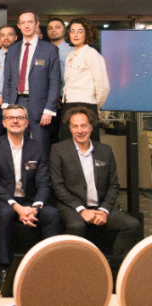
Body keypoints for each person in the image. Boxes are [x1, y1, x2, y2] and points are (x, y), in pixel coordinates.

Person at [0, 104, 60, 291]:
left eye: (20, 118)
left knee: (52, 214)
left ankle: (49, 267)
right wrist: (16, 207)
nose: (15, 121)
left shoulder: (38, 148)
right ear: (4, 122)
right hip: (2, 199)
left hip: (29, 200)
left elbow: (44, 183)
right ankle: (3, 267)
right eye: (11, 117)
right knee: (6, 213)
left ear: (27, 123)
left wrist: (35, 207)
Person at [50, 107, 139, 256]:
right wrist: (81, 210)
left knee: (132, 225)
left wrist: (104, 210)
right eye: (75, 126)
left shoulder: (105, 150)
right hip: (71, 206)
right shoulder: (59, 150)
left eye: (84, 126)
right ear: (70, 128)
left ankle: (114, 264)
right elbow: (57, 186)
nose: (80, 130)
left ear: (91, 127)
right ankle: (71, 266)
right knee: (76, 226)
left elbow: (113, 185)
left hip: (100, 206)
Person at [2, 10, 60, 154]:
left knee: (40, 146)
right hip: (16, 102)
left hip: (40, 106)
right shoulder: (13, 49)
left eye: (30, 22)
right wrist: (6, 105)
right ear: (19, 26)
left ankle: (40, 171)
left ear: (37, 24)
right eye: (23, 23)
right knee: (17, 146)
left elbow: (54, 81)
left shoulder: (50, 49)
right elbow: (7, 79)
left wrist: (49, 110)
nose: (26, 26)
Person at [60, 18, 110, 142]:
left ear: (87, 33)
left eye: (80, 31)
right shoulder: (70, 55)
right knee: (67, 145)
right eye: (72, 31)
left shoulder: (92, 54)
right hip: (68, 105)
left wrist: (94, 108)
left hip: (86, 105)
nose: (75, 34)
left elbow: (103, 87)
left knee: (88, 145)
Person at [46, 17, 73, 144]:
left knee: (67, 137)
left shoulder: (73, 51)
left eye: (57, 27)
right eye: (50, 28)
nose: (53, 30)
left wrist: (61, 96)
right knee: (49, 138)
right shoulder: (42, 51)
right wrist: (52, 97)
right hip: (47, 101)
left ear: (65, 30)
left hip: (68, 100)